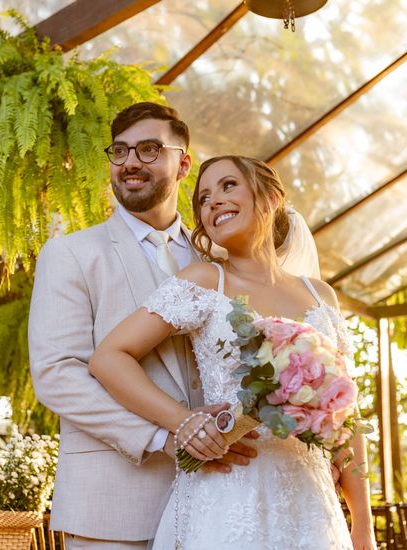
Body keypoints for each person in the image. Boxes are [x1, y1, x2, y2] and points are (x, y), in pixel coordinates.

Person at [89, 155, 375, 549]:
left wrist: (363, 523)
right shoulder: (205, 281)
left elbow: (346, 416)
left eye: (227, 186)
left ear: (271, 197)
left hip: (310, 501)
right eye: (203, 198)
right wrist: (184, 422)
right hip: (228, 491)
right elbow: (108, 357)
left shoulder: (320, 296)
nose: (212, 203)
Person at [28, 103, 258, 549]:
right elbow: (58, 376)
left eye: (150, 149)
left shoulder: (218, 260)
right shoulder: (71, 254)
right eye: (120, 151)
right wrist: (164, 436)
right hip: (112, 505)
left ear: (184, 163)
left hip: (220, 503)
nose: (131, 162)